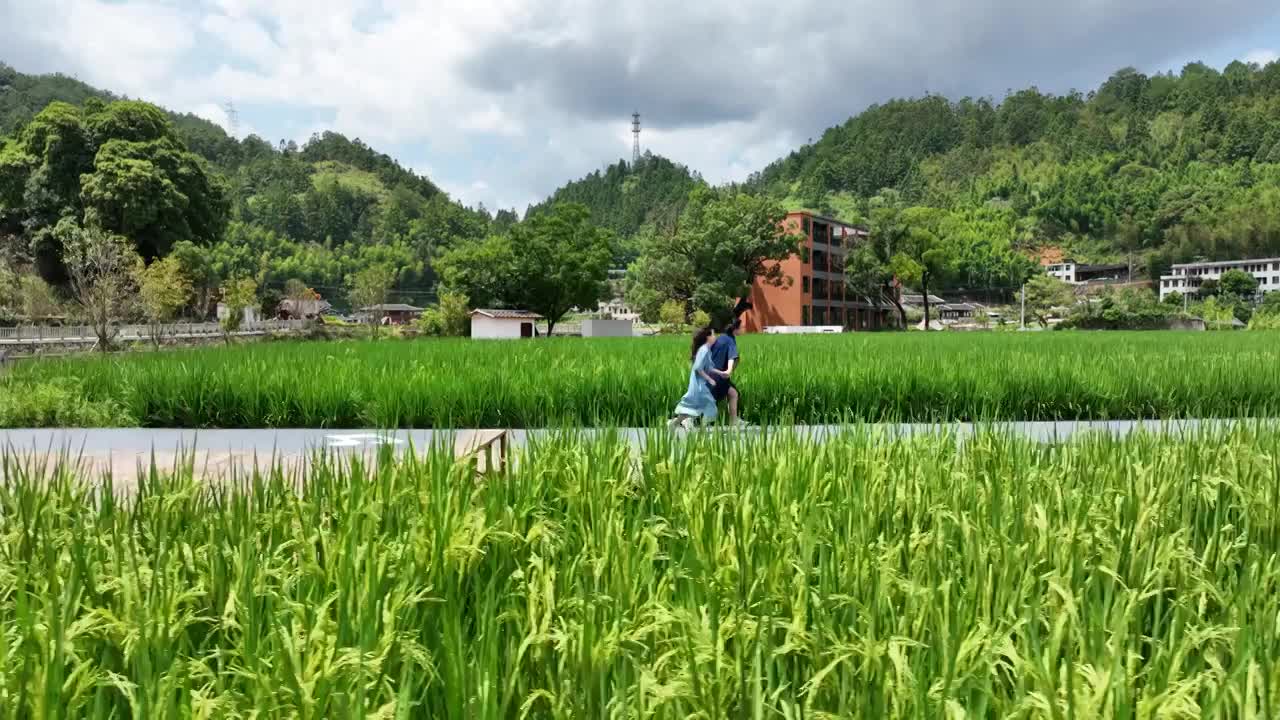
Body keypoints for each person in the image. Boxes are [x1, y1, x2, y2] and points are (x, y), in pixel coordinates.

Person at [669, 327, 718, 430]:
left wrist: (722, 373)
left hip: (699, 384)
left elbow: (709, 367)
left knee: (694, 408)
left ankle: (675, 423)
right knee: (710, 406)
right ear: (707, 337)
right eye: (713, 334)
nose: (715, 337)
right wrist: (709, 379)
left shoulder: (706, 350)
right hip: (699, 385)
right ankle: (702, 431)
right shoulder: (704, 350)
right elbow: (698, 368)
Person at [709, 319, 742, 425]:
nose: (743, 329)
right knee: (707, 399)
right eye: (741, 327)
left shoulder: (721, 338)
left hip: (710, 373)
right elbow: (732, 357)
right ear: (735, 329)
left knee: (733, 393)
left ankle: (734, 420)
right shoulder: (730, 341)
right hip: (717, 376)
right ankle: (685, 420)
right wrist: (729, 370)